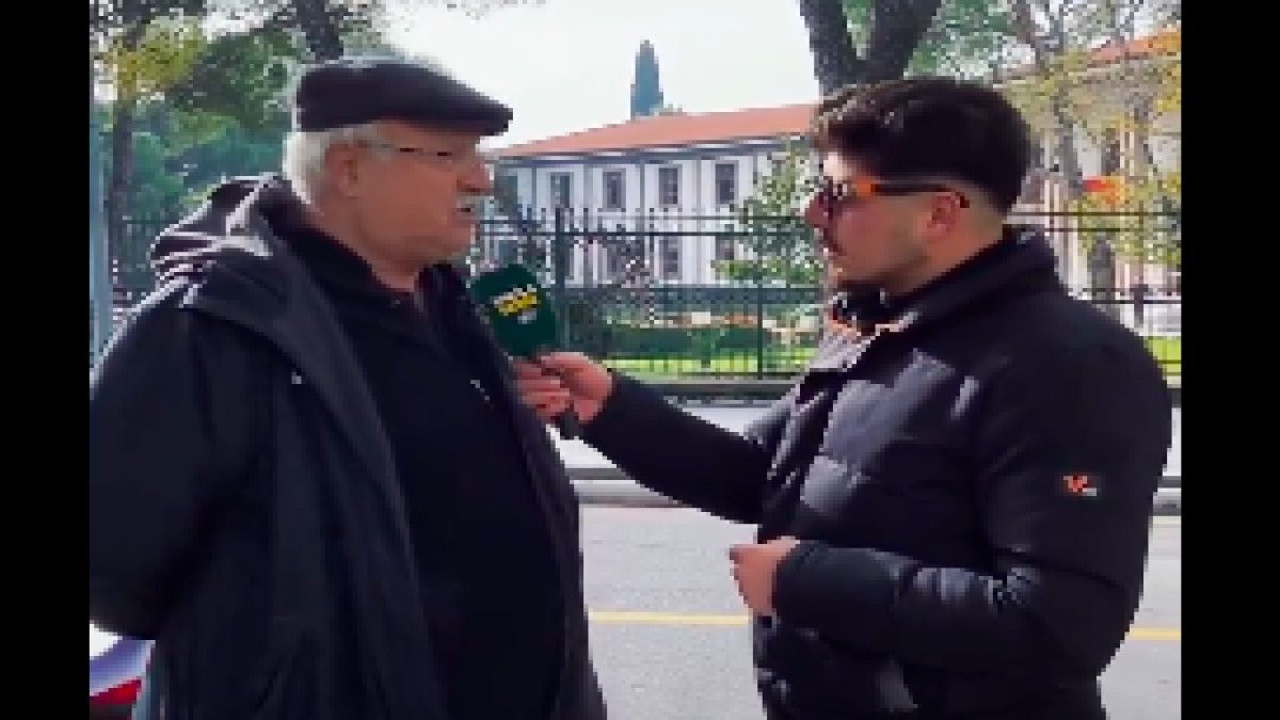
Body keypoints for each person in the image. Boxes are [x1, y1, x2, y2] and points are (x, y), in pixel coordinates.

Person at [515, 76, 1172, 720]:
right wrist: (615, 411)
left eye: (839, 195)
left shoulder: (1069, 367)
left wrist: (807, 582)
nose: (811, 213)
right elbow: (769, 478)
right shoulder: (876, 328)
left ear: (940, 213)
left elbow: (1056, 626)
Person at [89, 56, 607, 720]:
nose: (480, 180)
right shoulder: (211, 327)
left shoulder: (458, 311)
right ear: (349, 169)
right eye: (449, 155)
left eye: (479, 157)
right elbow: (115, 574)